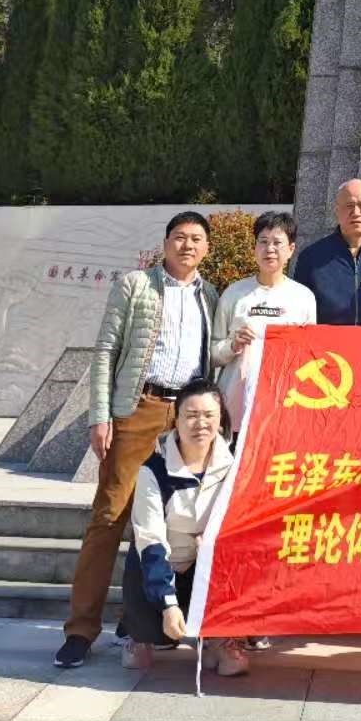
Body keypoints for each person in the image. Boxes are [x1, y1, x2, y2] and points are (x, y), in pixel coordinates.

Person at [56, 212, 218, 669]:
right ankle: (80, 630)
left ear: (207, 248)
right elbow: (107, 349)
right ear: (165, 243)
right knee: (110, 515)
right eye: (180, 237)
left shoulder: (209, 295)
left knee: (166, 521)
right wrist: (100, 415)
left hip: (185, 419)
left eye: (197, 239)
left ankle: (137, 622)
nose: (188, 246)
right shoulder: (135, 285)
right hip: (138, 408)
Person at [123, 378, 248, 677]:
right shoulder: (153, 470)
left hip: (209, 568)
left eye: (208, 415)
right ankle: (139, 635)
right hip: (165, 565)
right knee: (149, 638)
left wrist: (217, 540)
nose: (200, 424)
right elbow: (151, 540)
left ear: (221, 420)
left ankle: (219, 638)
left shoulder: (236, 466)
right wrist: (168, 604)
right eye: (191, 415)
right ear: (176, 421)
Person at [211, 214, 317, 427]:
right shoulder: (234, 293)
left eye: (277, 242)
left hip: (282, 404)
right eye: (263, 241)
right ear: (254, 248)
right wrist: (233, 345)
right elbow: (212, 354)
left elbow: (309, 355)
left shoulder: (303, 297)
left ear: (291, 249)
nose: (270, 249)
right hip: (235, 404)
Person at [292, 178, 361, 325]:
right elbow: (298, 310)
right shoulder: (311, 258)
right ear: (337, 209)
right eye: (349, 205)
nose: (356, 212)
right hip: (328, 340)